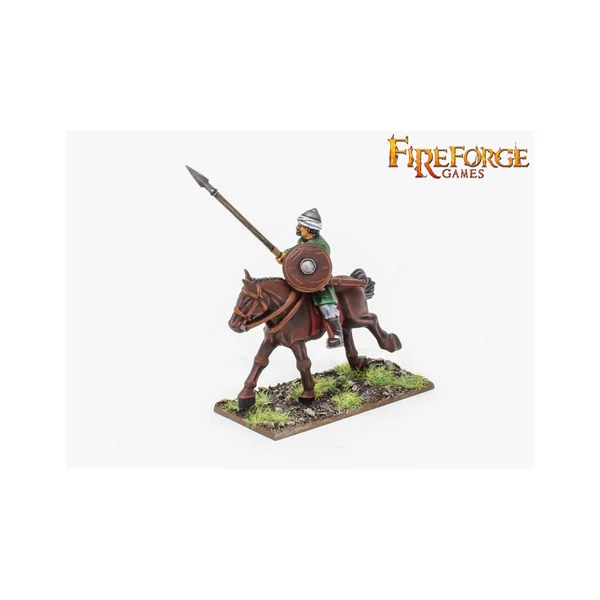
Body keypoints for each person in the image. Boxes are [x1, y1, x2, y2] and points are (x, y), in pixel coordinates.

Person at [276, 208, 343, 348]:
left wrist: (318, 282)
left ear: (309, 228)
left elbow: (322, 265)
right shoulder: (302, 241)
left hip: (318, 283)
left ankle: (336, 335)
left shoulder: (321, 245)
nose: (297, 227)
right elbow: (296, 252)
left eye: (301, 226)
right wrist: (285, 254)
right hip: (301, 281)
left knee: (327, 307)